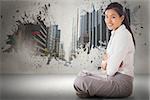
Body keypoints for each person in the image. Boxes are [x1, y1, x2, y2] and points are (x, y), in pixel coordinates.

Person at [73, 2, 136, 98]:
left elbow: (110, 70)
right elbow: (104, 65)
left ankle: (91, 91)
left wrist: (108, 63)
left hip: (122, 85)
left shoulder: (123, 35)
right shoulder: (115, 33)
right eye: (106, 17)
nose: (108, 21)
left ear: (122, 18)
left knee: (80, 81)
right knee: (83, 74)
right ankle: (93, 91)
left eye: (113, 17)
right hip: (111, 77)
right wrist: (108, 62)